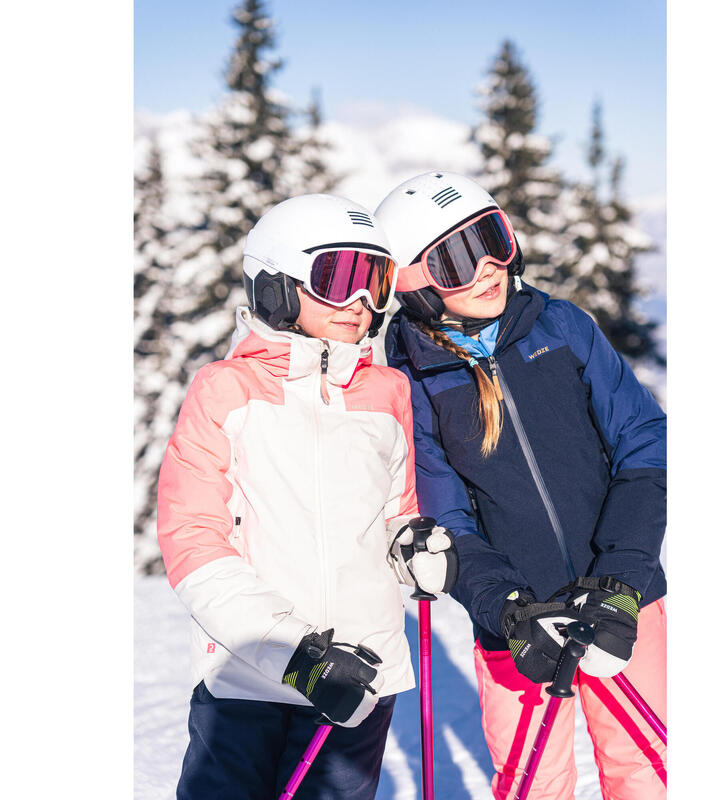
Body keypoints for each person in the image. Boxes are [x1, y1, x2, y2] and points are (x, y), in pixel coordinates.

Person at [375, 171, 666, 800]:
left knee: (645, 765)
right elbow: (446, 515)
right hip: (519, 621)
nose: (486, 267)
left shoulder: (561, 328)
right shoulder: (411, 383)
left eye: (492, 239)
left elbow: (644, 442)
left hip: (625, 598)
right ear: (415, 285)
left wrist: (623, 579)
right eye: (454, 258)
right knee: (534, 782)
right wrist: (506, 609)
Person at [156, 193, 457, 800]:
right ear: (278, 284)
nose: (362, 302)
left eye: (375, 281)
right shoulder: (225, 390)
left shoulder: (386, 391)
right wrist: (294, 655)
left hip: (359, 677)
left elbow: (394, 512)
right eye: (339, 277)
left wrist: (413, 544)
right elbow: (192, 539)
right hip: (248, 677)